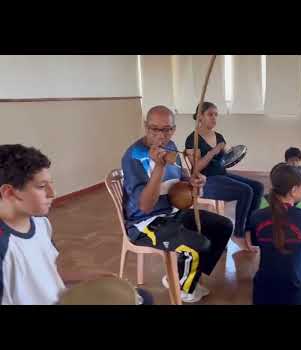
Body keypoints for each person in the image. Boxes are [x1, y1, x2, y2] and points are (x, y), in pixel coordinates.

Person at [0, 144, 152, 305]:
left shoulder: (40, 224)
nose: (53, 193)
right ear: (9, 193)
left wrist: (89, 276)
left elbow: (47, 271)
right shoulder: (4, 247)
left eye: (51, 184)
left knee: (143, 297)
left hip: (60, 299)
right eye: (42, 187)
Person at [122, 105, 233, 303]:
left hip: (173, 213)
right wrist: (158, 168)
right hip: (145, 223)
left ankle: (187, 278)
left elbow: (181, 178)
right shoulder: (134, 157)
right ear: (145, 126)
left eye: (167, 129)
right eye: (154, 129)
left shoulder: (171, 146)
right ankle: (183, 288)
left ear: (173, 129)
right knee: (197, 245)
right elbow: (145, 207)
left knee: (224, 226)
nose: (160, 135)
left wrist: (193, 181)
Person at [184, 101, 264, 247]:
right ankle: (238, 234)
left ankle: (249, 231)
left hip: (222, 176)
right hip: (205, 181)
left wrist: (232, 153)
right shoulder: (192, 139)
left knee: (258, 187)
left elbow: (225, 160)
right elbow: (196, 168)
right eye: (210, 114)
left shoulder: (219, 136)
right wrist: (212, 152)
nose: (214, 118)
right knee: (246, 191)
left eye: (216, 115)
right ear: (200, 117)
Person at [246, 163, 301, 305]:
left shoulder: (256, 216)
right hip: (295, 294)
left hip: (262, 291)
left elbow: (256, 243)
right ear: (294, 190)